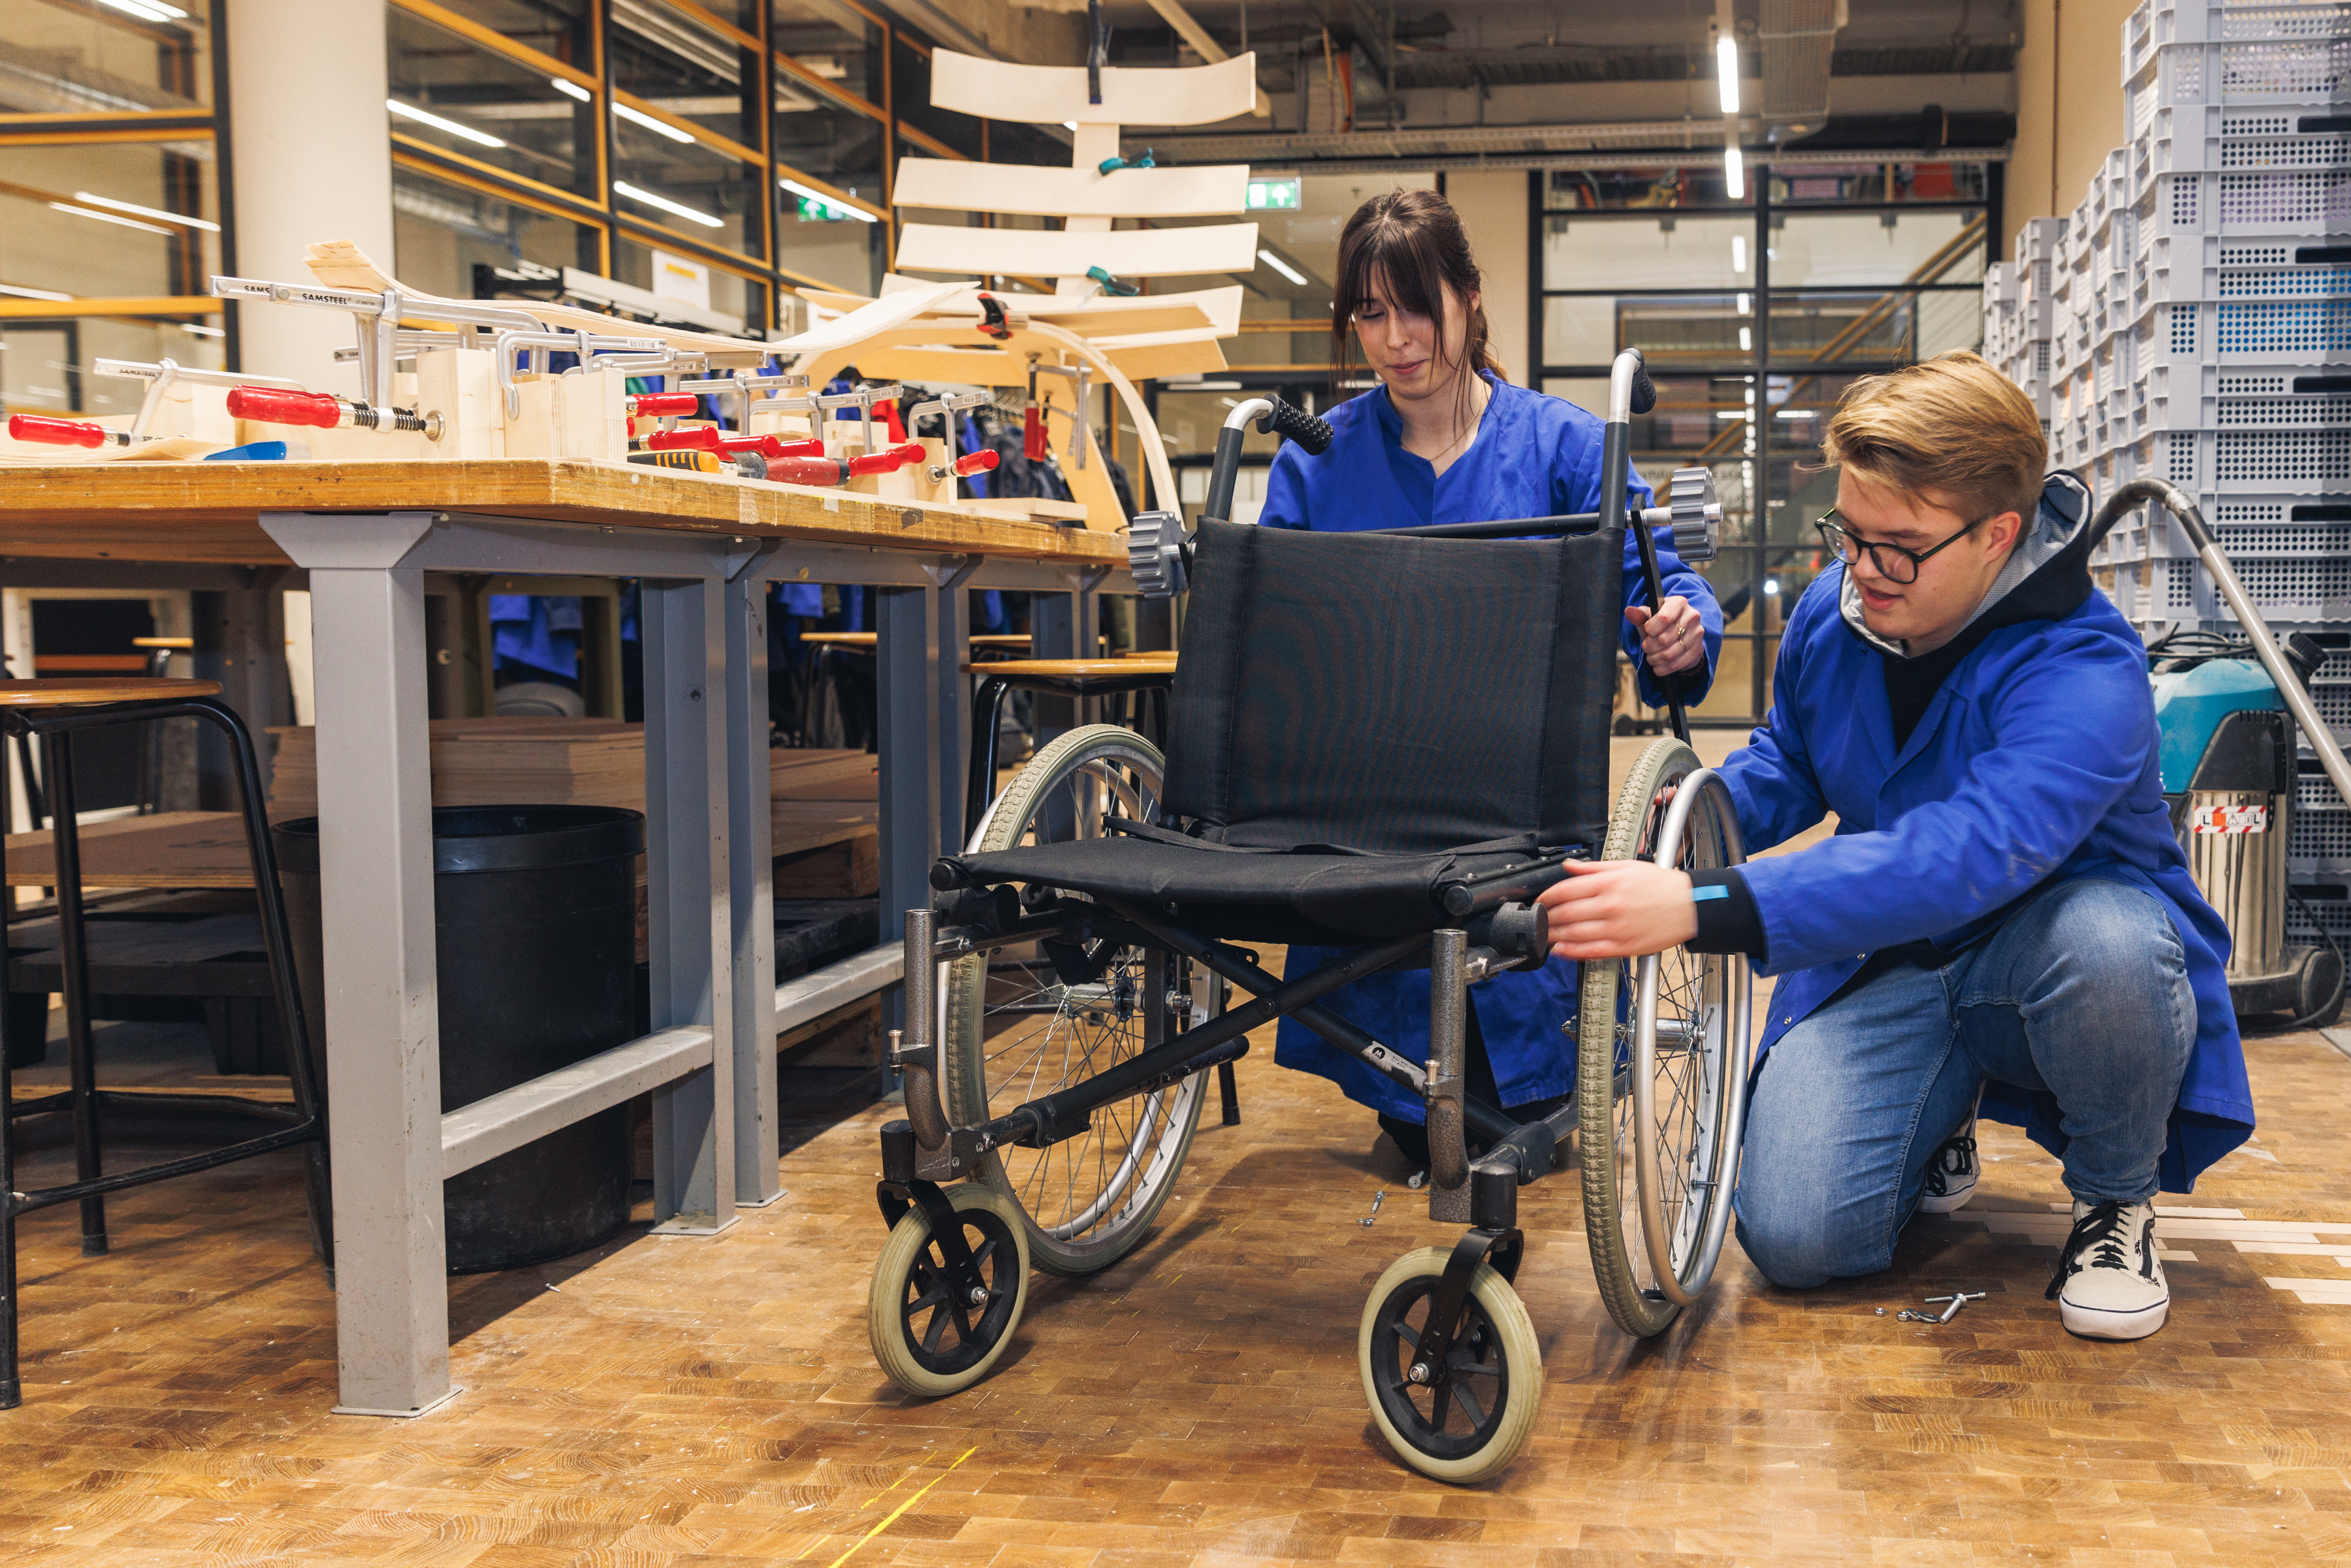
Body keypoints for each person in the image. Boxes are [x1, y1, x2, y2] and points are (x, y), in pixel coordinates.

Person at [1537, 351, 2255, 1341]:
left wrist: (1710, 908)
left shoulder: (2086, 665)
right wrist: (1668, 844)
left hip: (2048, 951)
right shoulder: (1838, 623)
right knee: (1790, 1235)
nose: (1862, 570)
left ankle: (2114, 1200)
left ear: (1999, 534)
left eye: (1899, 548)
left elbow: (1966, 849)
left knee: (2115, 949)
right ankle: (1933, 1121)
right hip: (1895, 960)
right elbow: (1790, 765)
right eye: (1851, 535)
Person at [1257, 187, 1723, 1163]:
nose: (1397, 339)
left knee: (1507, 1111)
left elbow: (1663, 583)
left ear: (1469, 299)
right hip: (1365, 817)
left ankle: (1513, 1079)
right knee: (1410, 1112)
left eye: (1418, 305)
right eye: (1371, 314)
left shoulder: (1563, 447)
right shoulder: (1318, 463)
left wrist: (1682, 630)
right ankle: (1409, 1082)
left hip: (1521, 814)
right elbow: (1276, 634)